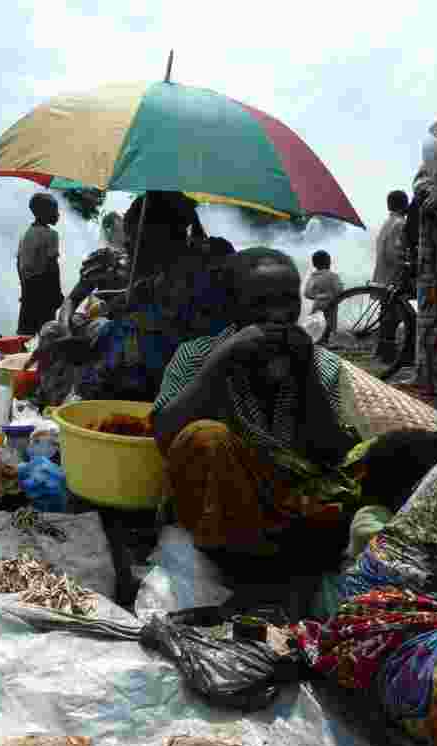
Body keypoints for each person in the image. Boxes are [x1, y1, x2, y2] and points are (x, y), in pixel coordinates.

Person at [151, 247, 363, 560]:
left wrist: (305, 372)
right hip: (220, 505)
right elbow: (164, 435)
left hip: (293, 502)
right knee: (207, 437)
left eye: (288, 301)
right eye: (261, 303)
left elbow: (330, 453)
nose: (278, 315)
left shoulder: (320, 364)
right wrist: (219, 363)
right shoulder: (196, 356)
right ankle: (239, 558)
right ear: (232, 307)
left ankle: (286, 553)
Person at [413, 111, 437, 394]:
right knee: (433, 312)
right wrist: (431, 191)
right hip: (436, 246)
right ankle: (431, 377)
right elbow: (421, 179)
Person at [16, 193, 64, 335]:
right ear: (44, 212)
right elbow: (52, 266)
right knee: (46, 332)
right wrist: (57, 292)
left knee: (27, 331)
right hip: (45, 288)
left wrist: (24, 288)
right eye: (54, 210)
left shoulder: (25, 234)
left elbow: (18, 263)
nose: (58, 214)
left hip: (28, 288)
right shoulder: (51, 235)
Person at [303, 249, 344, 344]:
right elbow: (339, 290)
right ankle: (327, 341)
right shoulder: (333, 276)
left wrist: (317, 296)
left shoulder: (313, 277)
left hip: (317, 303)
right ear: (328, 262)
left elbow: (307, 293)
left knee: (316, 324)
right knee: (330, 324)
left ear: (314, 264)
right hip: (331, 303)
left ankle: (315, 341)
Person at [374, 190, 410, 286]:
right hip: (393, 275)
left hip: (383, 272)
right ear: (405, 205)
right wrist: (406, 263)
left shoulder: (388, 222)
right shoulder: (400, 223)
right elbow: (393, 253)